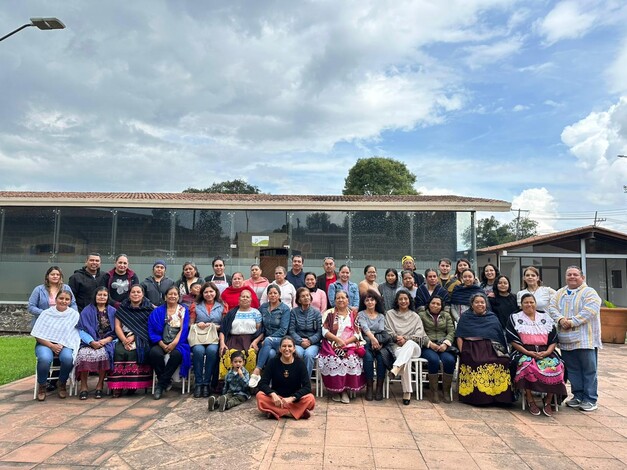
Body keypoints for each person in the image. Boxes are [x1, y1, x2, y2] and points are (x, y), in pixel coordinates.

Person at [549, 266, 602, 412]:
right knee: (572, 370)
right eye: (569, 275)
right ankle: (577, 396)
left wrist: (572, 322)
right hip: (566, 340)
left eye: (575, 274)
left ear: (582, 277)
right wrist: (560, 319)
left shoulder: (589, 292)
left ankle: (590, 399)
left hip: (585, 339)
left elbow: (590, 310)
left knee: (589, 370)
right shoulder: (560, 292)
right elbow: (552, 307)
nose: (572, 277)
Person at [506, 293, 567, 417]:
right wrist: (528, 352)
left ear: (535, 303)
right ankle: (530, 399)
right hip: (523, 351)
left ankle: (548, 400)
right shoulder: (514, 318)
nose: (529, 305)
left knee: (557, 366)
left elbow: (553, 339)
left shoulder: (545, 317)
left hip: (546, 351)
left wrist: (548, 352)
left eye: (531, 302)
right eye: (526, 302)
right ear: (521, 305)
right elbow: (512, 340)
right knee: (526, 366)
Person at [456, 292, 513, 405]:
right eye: (476, 302)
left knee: (502, 361)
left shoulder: (492, 317)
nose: (479, 304)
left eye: (482, 302)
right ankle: (479, 398)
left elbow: (498, 336)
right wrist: (462, 352)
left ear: (486, 304)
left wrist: (502, 352)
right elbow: (459, 336)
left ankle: (499, 398)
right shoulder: (465, 317)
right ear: (472, 304)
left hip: (491, 347)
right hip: (471, 347)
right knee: (478, 362)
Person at [31, 290, 80, 401]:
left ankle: (61, 383)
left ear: (70, 301)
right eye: (61, 298)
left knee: (68, 358)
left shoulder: (74, 315)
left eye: (67, 299)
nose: (64, 301)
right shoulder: (46, 313)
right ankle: (42, 385)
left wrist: (61, 344)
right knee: (44, 358)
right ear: (56, 299)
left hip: (65, 344)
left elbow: (74, 335)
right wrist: (51, 346)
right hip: (45, 343)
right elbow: (37, 334)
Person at [318, 290, 366, 403]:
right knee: (334, 359)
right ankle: (336, 391)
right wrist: (338, 340)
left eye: (343, 298)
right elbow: (324, 331)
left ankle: (344, 390)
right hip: (332, 343)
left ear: (348, 300)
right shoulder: (329, 313)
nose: (340, 300)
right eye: (338, 298)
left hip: (349, 343)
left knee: (350, 359)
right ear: (334, 300)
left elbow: (357, 333)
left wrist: (345, 342)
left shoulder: (353, 314)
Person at [108, 285, 154, 397]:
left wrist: (133, 337)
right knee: (118, 351)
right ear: (129, 294)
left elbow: (147, 327)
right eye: (133, 292)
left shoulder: (148, 309)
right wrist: (124, 340)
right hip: (122, 336)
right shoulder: (123, 308)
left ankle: (133, 386)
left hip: (141, 337)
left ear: (143, 294)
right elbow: (117, 326)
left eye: (138, 292)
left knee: (135, 352)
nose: (136, 294)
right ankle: (117, 387)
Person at [257, 336, 316, 420]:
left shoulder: (300, 364)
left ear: (294, 349)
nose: (287, 349)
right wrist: (273, 394)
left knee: (310, 399)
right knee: (260, 396)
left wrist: (292, 398)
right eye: (284, 346)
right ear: (280, 349)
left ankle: (276, 412)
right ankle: (294, 413)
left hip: (294, 400)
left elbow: (307, 387)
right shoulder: (273, 362)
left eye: (290, 346)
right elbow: (262, 383)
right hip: (277, 399)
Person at [148, 286, 191, 400]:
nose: (172, 296)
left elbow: (184, 329)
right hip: (160, 341)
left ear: (178, 296)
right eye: (170, 294)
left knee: (177, 355)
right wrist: (161, 344)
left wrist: (174, 343)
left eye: (175, 294)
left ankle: (160, 385)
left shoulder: (183, 310)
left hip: (178, 342)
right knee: (154, 353)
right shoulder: (157, 311)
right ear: (165, 296)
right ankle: (165, 381)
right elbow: (152, 329)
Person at [385, 290, 428, 405]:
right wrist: (396, 338)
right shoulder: (390, 314)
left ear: (409, 301)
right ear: (397, 301)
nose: (403, 301)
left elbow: (420, 334)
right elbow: (387, 331)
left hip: (413, 347)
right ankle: (407, 392)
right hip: (396, 347)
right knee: (406, 360)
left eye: (406, 299)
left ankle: (396, 367)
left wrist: (406, 338)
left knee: (408, 345)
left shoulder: (415, 316)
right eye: (400, 299)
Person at [75, 287, 116, 400]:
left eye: (104, 295)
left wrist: (105, 341)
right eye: (99, 295)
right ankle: (83, 386)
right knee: (83, 355)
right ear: (95, 296)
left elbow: (116, 331)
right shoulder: (87, 310)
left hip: (107, 342)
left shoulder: (113, 311)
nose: (102, 297)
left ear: (108, 297)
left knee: (105, 355)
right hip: (89, 342)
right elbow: (81, 330)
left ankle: (100, 385)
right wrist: (91, 342)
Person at [250, 285, 292, 387]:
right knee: (271, 354)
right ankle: (269, 384)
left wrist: (269, 338)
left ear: (279, 295)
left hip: (280, 340)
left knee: (269, 341)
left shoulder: (285, 309)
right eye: (270, 293)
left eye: (275, 293)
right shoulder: (263, 307)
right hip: (266, 342)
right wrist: (256, 340)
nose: (272, 295)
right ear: (267, 295)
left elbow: (283, 330)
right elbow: (261, 328)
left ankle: (258, 369)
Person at [417, 296, 457, 403]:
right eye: (433, 303)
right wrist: (429, 344)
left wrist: (445, 343)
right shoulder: (421, 315)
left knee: (450, 360)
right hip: (427, 345)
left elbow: (451, 332)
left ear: (441, 306)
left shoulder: (446, 315)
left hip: (443, 345)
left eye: (438, 304)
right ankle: (434, 392)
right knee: (433, 360)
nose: (435, 306)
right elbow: (419, 332)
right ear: (429, 304)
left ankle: (446, 391)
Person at [190, 282, 225, 398]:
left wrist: (214, 326)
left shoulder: (223, 306)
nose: (209, 294)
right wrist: (197, 324)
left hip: (214, 337)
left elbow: (224, 325)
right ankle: (198, 383)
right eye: (206, 292)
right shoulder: (196, 305)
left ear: (216, 293)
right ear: (202, 293)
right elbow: (190, 324)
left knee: (212, 351)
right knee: (198, 352)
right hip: (199, 337)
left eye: (211, 291)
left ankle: (207, 383)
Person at [218, 290, 262, 378]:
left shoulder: (256, 313)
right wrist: (222, 343)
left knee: (251, 354)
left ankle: (249, 383)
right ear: (239, 299)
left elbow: (261, 331)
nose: (245, 298)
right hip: (233, 340)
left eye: (247, 297)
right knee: (227, 353)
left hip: (250, 340)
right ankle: (227, 383)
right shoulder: (231, 313)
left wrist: (256, 342)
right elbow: (223, 329)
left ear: (251, 300)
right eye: (243, 296)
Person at [357, 289, 389, 401]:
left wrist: (378, 342)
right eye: (367, 300)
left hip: (379, 343)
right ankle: (369, 387)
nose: (370, 302)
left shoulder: (381, 316)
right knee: (368, 358)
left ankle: (379, 388)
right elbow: (365, 328)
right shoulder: (360, 314)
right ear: (364, 302)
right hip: (366, 342)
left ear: (376, 302)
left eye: (372, 300)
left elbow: (381, 330)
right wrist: (373, 339)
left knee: (381, 359)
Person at [289, 287, 322, 377]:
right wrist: (300, 341)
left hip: (313, 343)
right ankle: (296, 380)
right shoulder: (294, 312)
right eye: (303, 296)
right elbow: (291, 330)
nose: (306, 298)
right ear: (299, 300)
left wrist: (310, 341)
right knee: (298, 353)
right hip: (298, 342)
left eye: (307, 295)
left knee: (308, 354)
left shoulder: (316, 313)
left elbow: (319, 332)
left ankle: (305, 382)